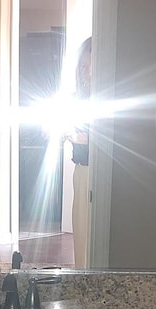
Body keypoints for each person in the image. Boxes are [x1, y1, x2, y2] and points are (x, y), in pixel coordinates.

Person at [69, 37, 91, 268]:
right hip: (81, 171)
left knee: (94, 235)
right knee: (81, 232)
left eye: (91, 67)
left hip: (100, 173)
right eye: (83, 67)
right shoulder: (76, 99)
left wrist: (76, 137)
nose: (87, 73)